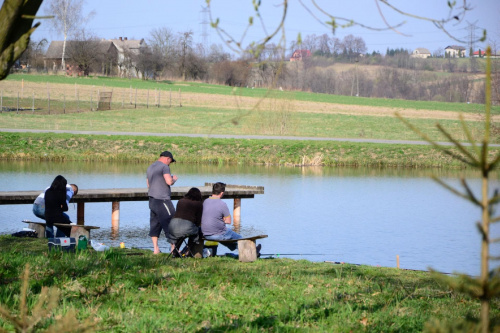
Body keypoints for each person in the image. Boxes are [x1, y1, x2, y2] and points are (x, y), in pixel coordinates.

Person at [202, 182, 261, 255]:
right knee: (240, 238)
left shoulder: (205, 201)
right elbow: (228, 221)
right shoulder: (222, 204)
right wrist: (222, 219)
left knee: (229, 239)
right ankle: (253, 251)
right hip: (218, 234)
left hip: (205, 234)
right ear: (222, 193)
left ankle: (253, 251)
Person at [147, 150, 178, 254]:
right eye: (170, 161)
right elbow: (169, 181)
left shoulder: (151, 167)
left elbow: (148, 184)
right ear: (167, 158)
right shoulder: (165, 167)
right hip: (163, 200)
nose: (170, 164)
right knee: (171, 222)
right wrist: (174, 179)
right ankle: (173, 249)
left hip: (152, 200)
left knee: (155, 223)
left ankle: (156, 249)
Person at [168, 187, 203, 257]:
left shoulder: (181, 201)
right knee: (196, 232)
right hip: (186, 227)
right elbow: (198, 220)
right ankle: (188, 251)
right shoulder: (198, 204)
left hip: (172, 226)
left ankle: (175, 251)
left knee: (182, 234)